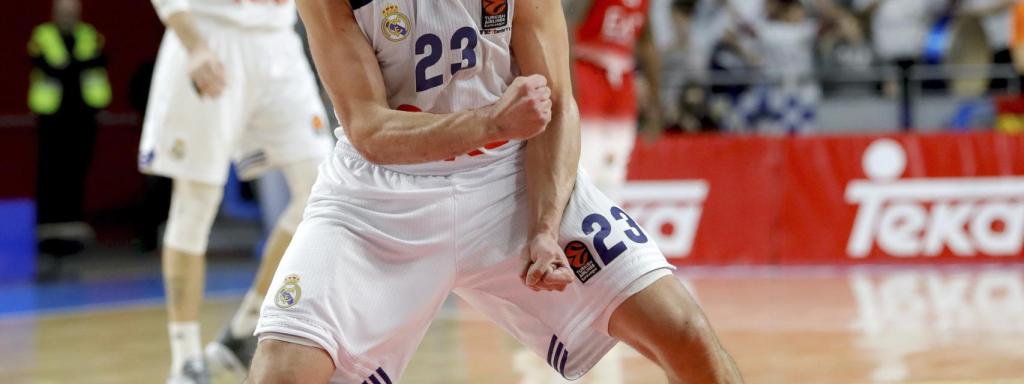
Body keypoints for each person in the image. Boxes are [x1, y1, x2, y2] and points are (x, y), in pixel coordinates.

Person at [248, 1, 743, 383]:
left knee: (686, 335)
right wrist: (491, 122)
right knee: (281, 370)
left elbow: (555, 100)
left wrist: (546, 228)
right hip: (379, 197)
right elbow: (369, 130)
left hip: (507, 175)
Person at [140, 0, 332, 382]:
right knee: (196, 201)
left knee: (323, 188)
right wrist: (193, 43)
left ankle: (243, 331)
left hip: (278, 40)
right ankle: (185, 359)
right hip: (209, 33)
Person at [28, 0, 111, 259]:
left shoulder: (89, 34)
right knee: (51, 174)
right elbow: (44, 65)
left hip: (83, 115)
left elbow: (102, 59)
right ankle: (48, 233)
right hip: (52, 116)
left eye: (72, 12)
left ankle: (73, 230)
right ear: (54, 13)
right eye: (63, 12)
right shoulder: (43, 35)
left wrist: (69, 68)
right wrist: (77, 66)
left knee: (77, 171)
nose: (68, 16)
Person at [566, 0, 664, 203]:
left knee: (615, 169)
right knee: (583, 165)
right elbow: (566, 26)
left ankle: (605, 230)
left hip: (621, 83)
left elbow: (647, 44)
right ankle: (572, 229)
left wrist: (655, 104)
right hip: (588, 72)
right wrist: (568, 86)